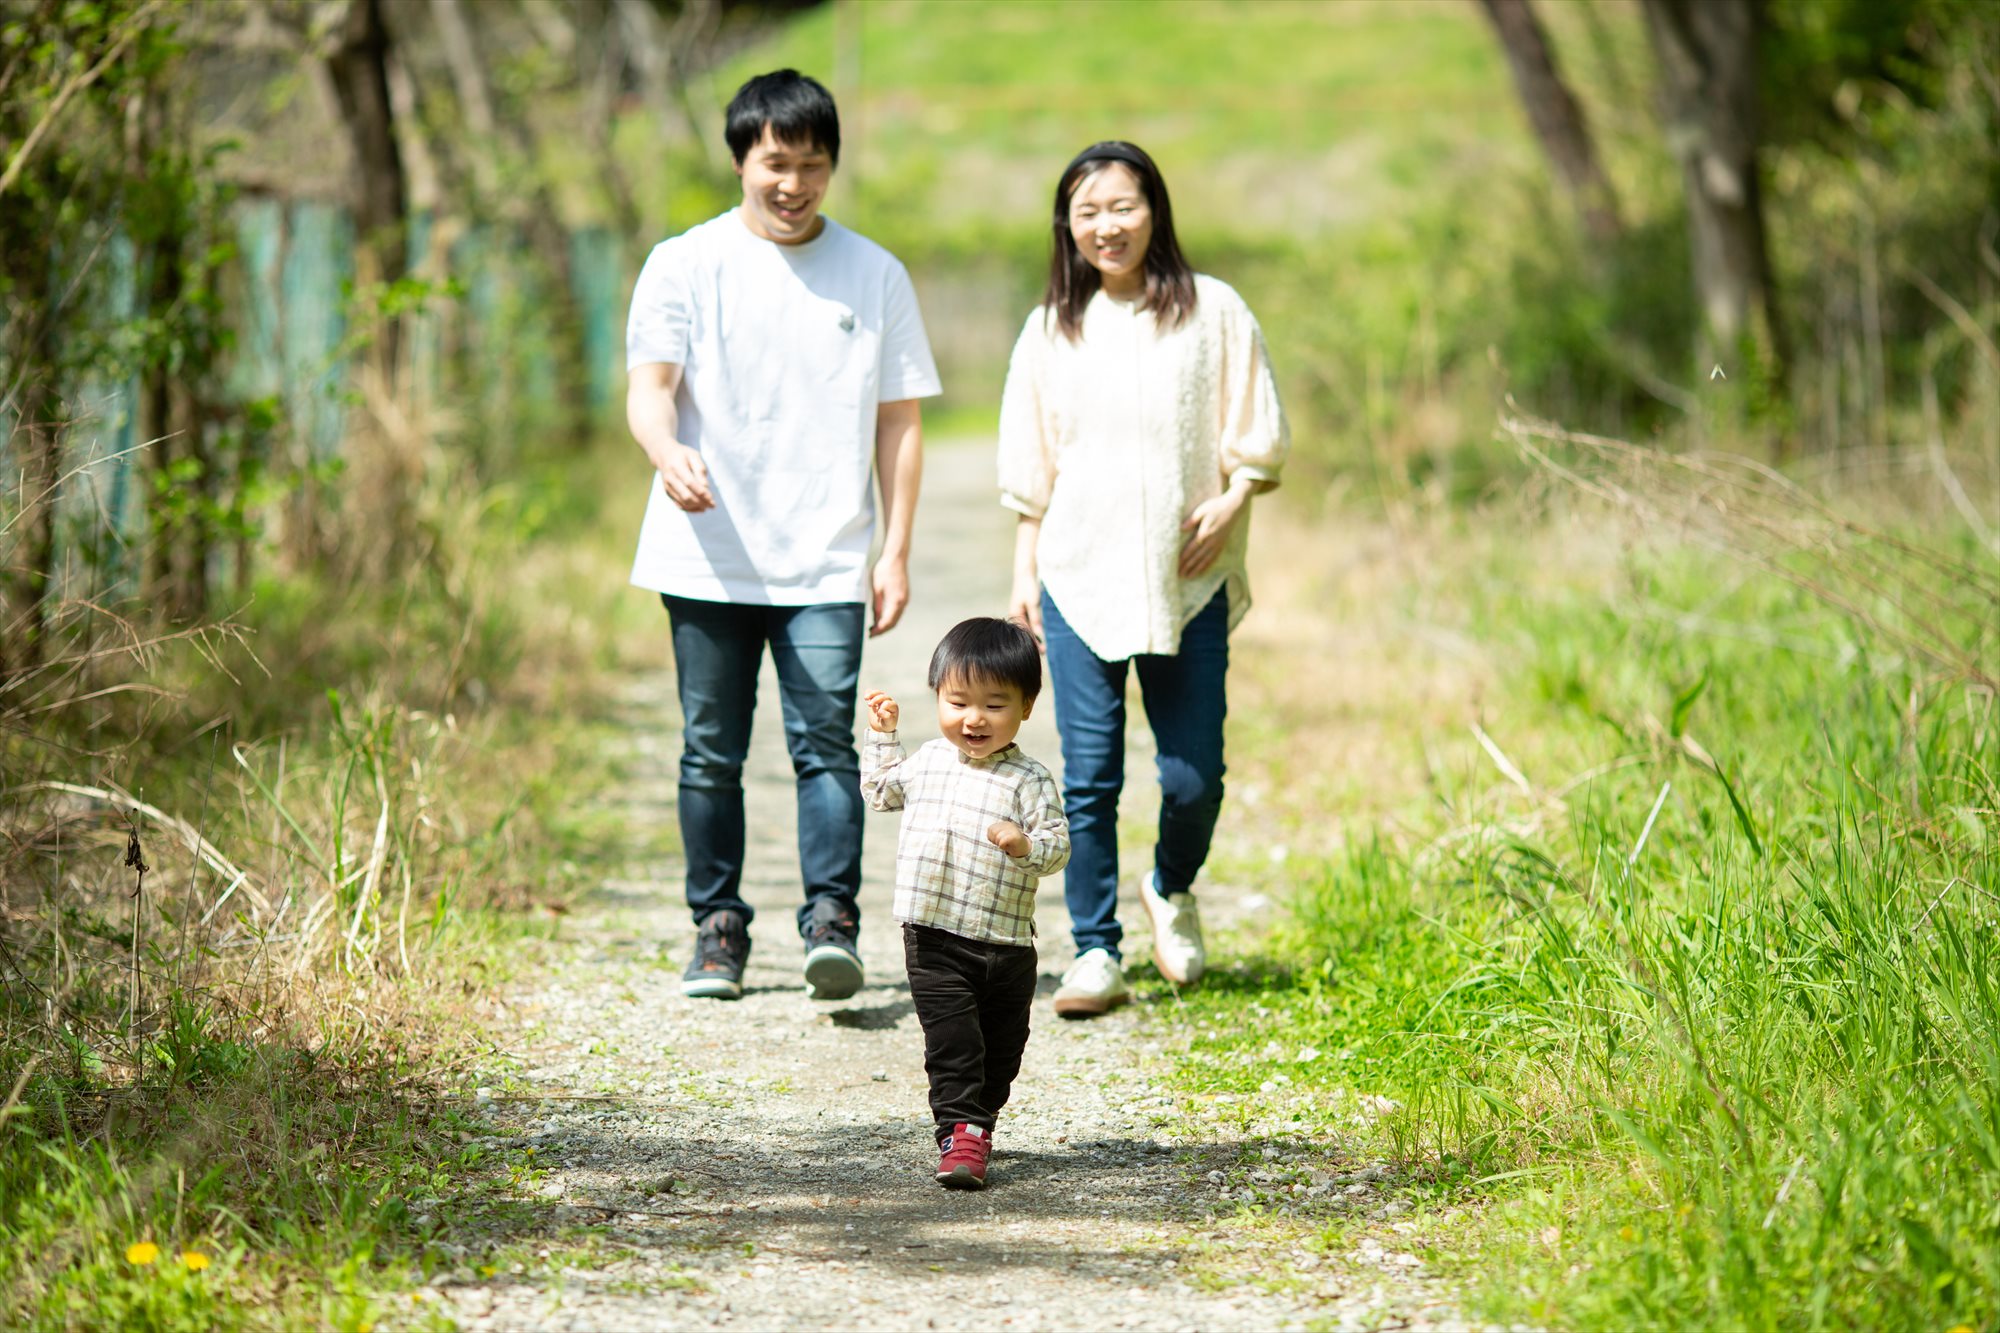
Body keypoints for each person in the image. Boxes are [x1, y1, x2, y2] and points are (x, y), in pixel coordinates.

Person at [625, 69, 942, 1003]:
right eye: (775, 162)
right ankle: (717, 927)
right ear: (740, 160)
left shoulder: (875, 274)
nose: (792, 182)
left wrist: (895, 547)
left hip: (827, 555)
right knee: (709, 749)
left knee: (826, 747)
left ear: (832, 166)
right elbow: (649, 387)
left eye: (811, 164)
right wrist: (665, 450)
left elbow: (900, 421)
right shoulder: (683, 263)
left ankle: (830, 921)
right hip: (706, 552)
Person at [997, 140, 1289, 1018]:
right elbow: (1033, 463)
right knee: (1088, 779)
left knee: (1195, 774)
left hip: (1185, 575)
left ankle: (1171, 885)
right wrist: (1023, 568)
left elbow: (1256, 430)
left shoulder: (1216, 311)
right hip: (1077, 574)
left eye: (1121, 206)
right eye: (1087, 212)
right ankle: (1095, 950)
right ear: (1068, 227)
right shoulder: (1053, 326)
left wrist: (1237, 497)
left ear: (1153, 208)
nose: (1106, 226)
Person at [859, 618, 1070, 1189]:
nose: (974, 718)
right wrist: (884, 736)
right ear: (938, 698)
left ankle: (980, 1120)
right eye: (958, 701)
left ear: (1026, 707)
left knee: (1002, 1052)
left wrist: (1025, 845)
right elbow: (880, 792)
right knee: (953, 1043)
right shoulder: (927, 761)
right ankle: (960, 1131)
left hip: (1006, 943)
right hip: (933, 936)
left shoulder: (1029, 780)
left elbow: (1057, 847)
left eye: (994, 704)